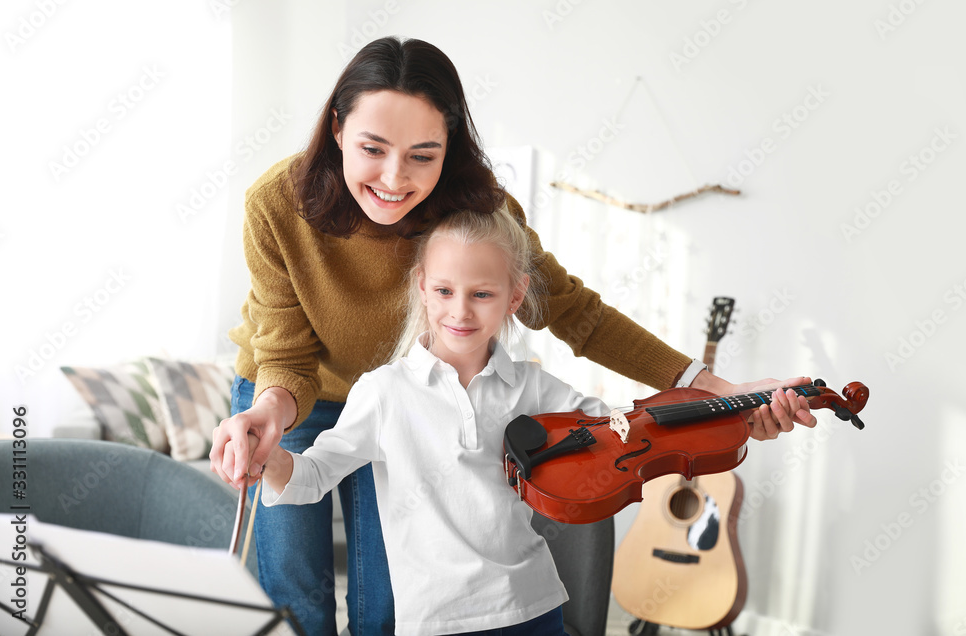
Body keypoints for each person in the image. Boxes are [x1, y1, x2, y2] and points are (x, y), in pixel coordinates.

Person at [210, 36, 816, 636]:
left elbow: (576, 313)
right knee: (295, 593)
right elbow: (286, 352)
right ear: (338, 128)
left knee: (386, 604)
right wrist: (268, 414)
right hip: (288, 393)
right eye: (373, 148)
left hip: (418, 393)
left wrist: (712, 390)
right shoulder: (276, 204)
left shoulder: (477, 207)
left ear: (448, 147)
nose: (394, 178)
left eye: (423, 154)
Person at [245, 205, 608, 635]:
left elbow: (610, 430)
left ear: (515, 296)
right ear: (421, 286)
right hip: (436, 619)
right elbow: (317, 473)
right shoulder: (383, 392)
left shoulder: (532, 385)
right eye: (444, 291)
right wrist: (270, 458)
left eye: (482, 294)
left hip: (531, 605)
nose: (460, 311)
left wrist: (682, 416)